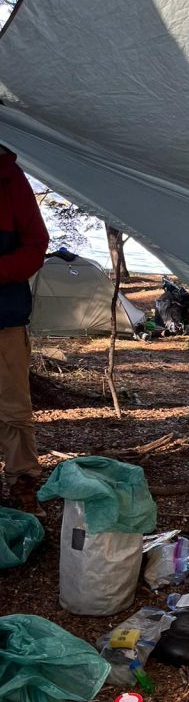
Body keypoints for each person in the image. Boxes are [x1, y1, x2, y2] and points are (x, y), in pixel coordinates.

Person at [0, 145, 49, 516]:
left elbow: (36, 244)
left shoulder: (9, 178)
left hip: (5, 317)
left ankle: (23, 484)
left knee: (13, 406)